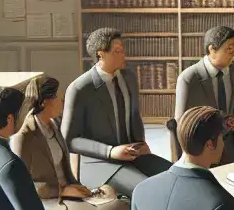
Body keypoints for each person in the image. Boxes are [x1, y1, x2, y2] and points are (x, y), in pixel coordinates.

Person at [12, 75, 133, 210]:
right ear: (45, 102)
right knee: (121, 209)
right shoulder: (23, 136)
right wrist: (62, 190)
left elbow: (64, 170)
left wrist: (77, 188)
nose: (62, 101)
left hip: (72, 196)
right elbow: (21, 186)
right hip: (51, 205)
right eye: (58, 98)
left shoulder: (53, 124)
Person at [63, 27, 171, 197]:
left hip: (133, 155)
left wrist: (140, 143)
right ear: (100, 55)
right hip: (100, 164)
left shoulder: (129, 77)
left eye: (123, 49)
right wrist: (110, 151)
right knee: (148, 191)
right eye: (117, 51)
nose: (124, 54)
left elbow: (134, 115)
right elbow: (69, 140)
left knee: (175, 177)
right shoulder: (80, 89)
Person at [175, 26, 234, 163]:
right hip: (205, 149)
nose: (233, 53)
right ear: (212, 49)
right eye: (228, 48)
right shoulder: (189, 79)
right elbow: (181, 126)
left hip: (233, 143)